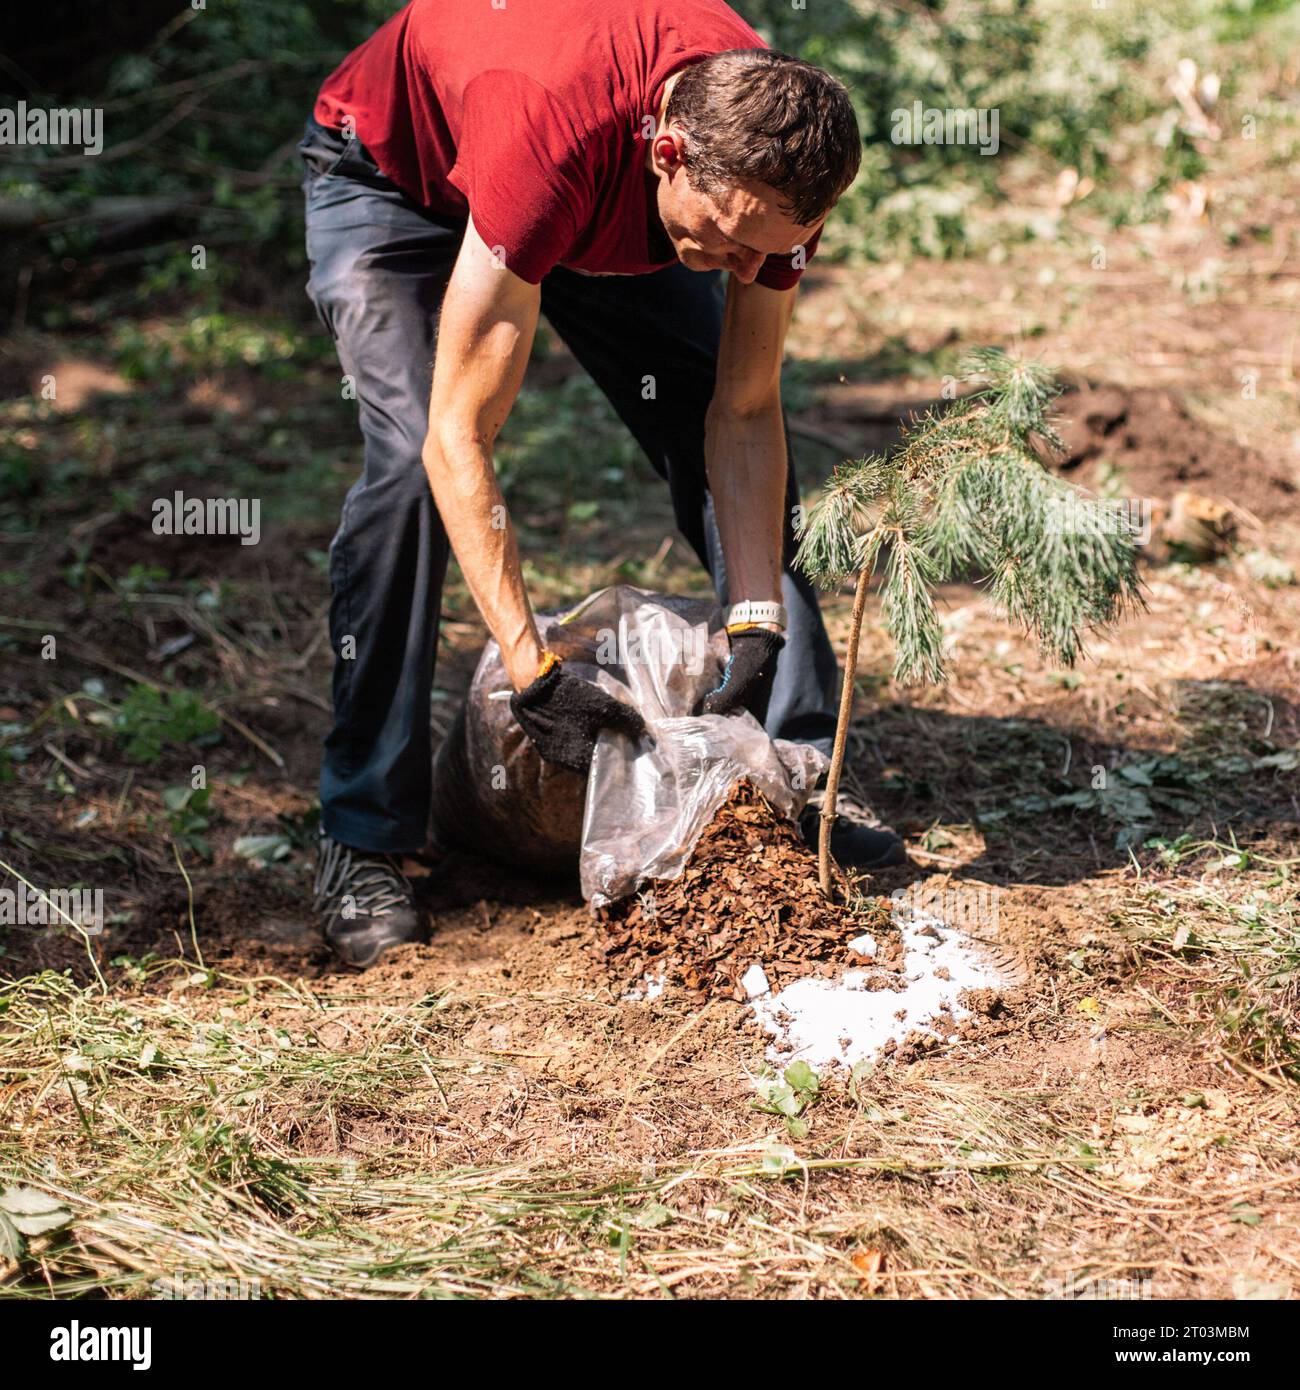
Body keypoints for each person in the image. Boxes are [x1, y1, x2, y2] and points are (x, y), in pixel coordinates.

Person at [300, 0, 905, 968]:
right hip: (397, 183)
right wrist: (534, 673)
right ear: (667, 151)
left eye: (780, 249)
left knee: (704, 397)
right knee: (411, 467)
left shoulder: (765, 162)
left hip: (579, 200)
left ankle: (794, 774)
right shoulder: (549, 132)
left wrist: (753, 614)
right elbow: (460, 437)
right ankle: (363, 835)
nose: (752, 270)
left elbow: (743, 411)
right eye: (739, 242)